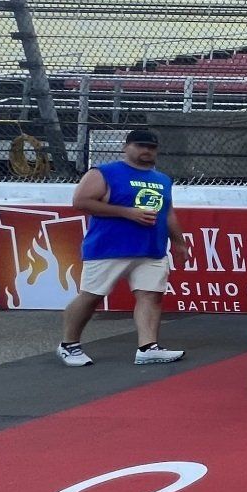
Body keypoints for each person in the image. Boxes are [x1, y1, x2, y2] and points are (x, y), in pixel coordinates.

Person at [58, 126, 192, 368]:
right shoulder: (104, 172)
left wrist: (179, 241)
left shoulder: (162, 179)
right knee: (92, 296)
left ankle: (148, 347)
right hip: (109, 247)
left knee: (151, 295)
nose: (146, 151)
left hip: (151, 248)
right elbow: (81, 201)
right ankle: (69, 344)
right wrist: (127, 213)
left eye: (151, 147)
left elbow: (167, 211)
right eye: (140, 145)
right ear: (126, 147)